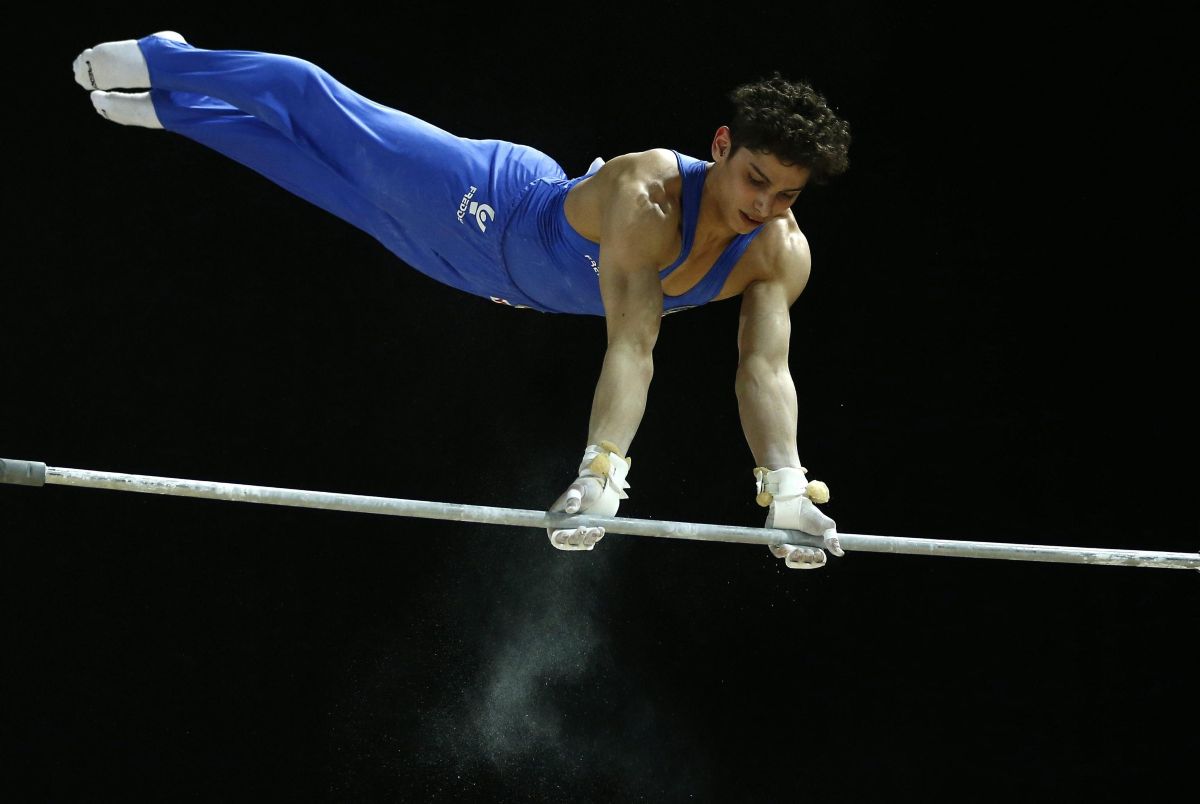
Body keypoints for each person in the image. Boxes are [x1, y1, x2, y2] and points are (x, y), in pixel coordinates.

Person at [72, 31, 851, 569]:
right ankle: (170, 60)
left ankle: (175, 111)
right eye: (755, 179)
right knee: (320, 106)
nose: (764, 206)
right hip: (485, 204)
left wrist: (784, 486)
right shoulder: (650, 195)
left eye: (786, 195)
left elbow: (763, 372)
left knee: (317, 182)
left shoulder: (780, 253)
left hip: (483, 280)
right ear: (721, 146)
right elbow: (633, 345)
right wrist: (601, 473)